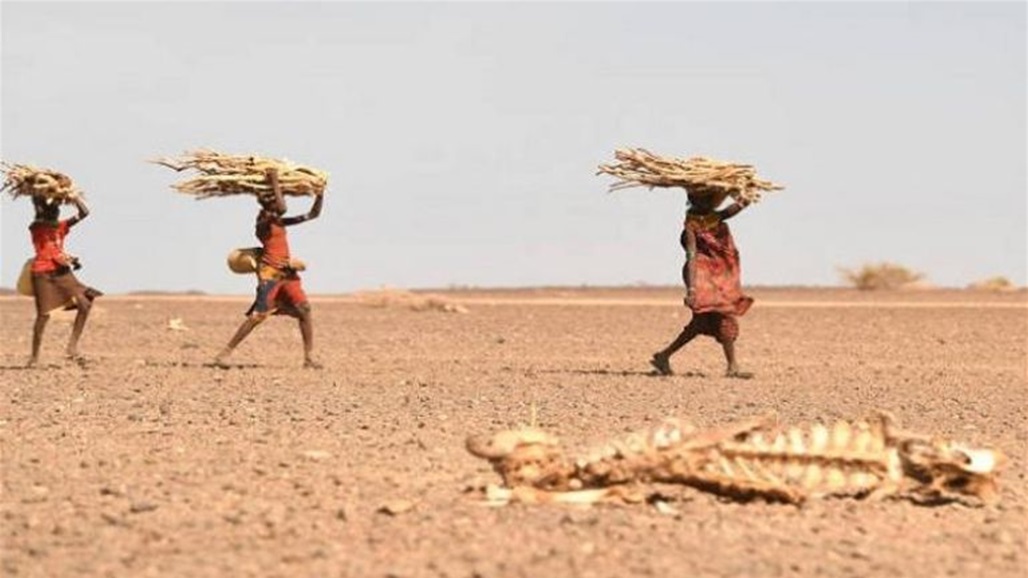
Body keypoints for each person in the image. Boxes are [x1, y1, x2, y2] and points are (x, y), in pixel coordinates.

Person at [213, 168, 324, 369]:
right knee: (258, 316)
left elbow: (313, 214)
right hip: (270, 273)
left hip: (288, 273)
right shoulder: (263, 221)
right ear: (266, 202)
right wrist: (274, 180)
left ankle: (309, 358)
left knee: (305, 309)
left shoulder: (279, 221)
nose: (279, 201)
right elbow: (281, 207)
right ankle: (224, 354)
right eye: (274, 198)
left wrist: (320, 194)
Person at [650, 187, 754, 378]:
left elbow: (735, 208)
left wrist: (745, 193)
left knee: (701, 322)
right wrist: (691, 289)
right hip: (701, 276)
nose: (708, 203)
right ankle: (733, 367)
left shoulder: (715, 217)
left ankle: (663, 356)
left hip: (718, 275)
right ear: (694, 200)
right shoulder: (691, 226)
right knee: (724, 316)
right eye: (703, 199)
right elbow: (692, 257)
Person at [27, 194, 103, 366]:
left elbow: (84, 212)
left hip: (62, 272)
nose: (56, 216)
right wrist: (40, 197)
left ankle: (72, 347)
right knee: (43, 315)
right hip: (43, 273)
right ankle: (34, 357)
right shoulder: (37, 228)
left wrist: (73, 196)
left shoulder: (61, 227)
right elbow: (39, 211)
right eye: (53, 213)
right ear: (45, 214)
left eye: (57, 213)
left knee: (85, 303)